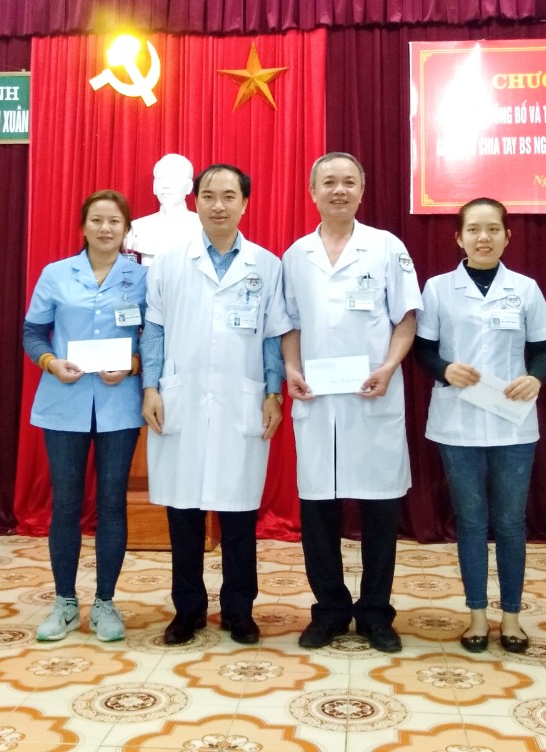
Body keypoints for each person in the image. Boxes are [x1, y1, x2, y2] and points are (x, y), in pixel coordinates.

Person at [141, 163, 289, 646]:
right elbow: (154, 329)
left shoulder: (266, 265)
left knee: (239, 512)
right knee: (182, 512)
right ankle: (187, 610)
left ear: (245, 203)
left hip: (241, 400)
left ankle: (239, 610)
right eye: (209, 195)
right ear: (197, 202)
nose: (218, 205)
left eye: (229, 196)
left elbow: (273, 335)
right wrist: (151, 386)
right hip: (179, 398)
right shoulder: (169, 262)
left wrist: (272, 392)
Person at [282, 152, 422, 653]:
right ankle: (330, 611)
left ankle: (377, 614)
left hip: (371, 396)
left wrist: (389, 366)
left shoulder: (386, 247)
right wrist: (291, 370)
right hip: (317, 400)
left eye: (348, 182)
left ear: (362, 191)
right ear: (313, 192)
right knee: (318, 510)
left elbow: (407, 317)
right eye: (328, 182)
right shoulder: (296, 255)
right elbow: (289, 323)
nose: (338, 190)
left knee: (381, 510)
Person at [413, 197, 546, 654]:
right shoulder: (438, 288)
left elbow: (543, 349)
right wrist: (444, 369)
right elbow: (423, 349)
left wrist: (535, 378)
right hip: (459, 422)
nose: (483, 237)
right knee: (472, 521)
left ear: (507, 236)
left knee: (511, 522)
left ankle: (511, 618)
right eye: (473, 229)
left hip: (513, 422)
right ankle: (476, 616)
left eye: (493, 229)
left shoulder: (525, 289)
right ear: (459, 237)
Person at [22, 190, 146, 643]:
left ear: (126, 229)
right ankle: (65, 602)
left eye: (115, 221)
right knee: (66, 503)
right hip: (64, 402)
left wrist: (132, 365)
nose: (106, 228)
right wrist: (51, 362)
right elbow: (33, 332)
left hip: (119, 405)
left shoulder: (142, 278)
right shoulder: (56, 274)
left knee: (112, 503)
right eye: (97, 220)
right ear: (83, 227)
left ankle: (106, 602)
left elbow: (154, 336)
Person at [124, 153, 202, 265]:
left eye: (174, 178)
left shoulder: (203, 227)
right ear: (154, 186)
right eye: (161, 178)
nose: (166, 185)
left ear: (189, 186)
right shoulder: (136, 228)